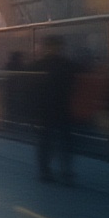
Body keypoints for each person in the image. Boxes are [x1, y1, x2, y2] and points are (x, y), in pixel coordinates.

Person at [32, 35, 79, 182]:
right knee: (65, 141)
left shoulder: (39, 65)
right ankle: (66, 172)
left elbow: (31, 88)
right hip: (63, 108)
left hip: (45, 109)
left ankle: (45, 171)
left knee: (45, 140)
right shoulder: (67, 64)